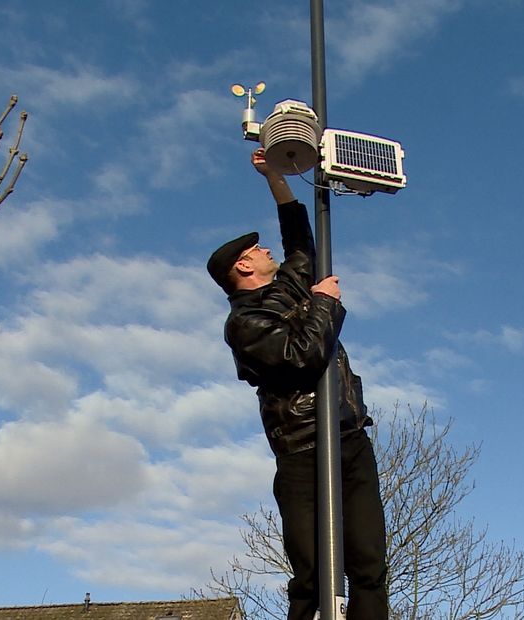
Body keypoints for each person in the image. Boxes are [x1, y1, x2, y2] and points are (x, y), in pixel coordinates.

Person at [206, 148, 388, 620]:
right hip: (303, 451)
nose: (267, 250)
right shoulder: (245, 322)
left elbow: (300, 240)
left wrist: (275, 178)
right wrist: (326, 304)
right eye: (256, 251)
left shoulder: (286, 288)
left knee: (370, 564)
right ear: (243, 268)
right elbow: (302, 359)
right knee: (314, 575)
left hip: (348, 439)